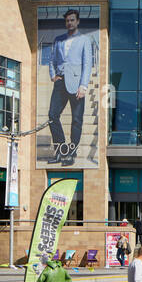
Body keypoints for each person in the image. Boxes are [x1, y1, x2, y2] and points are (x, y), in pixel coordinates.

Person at [46, 9, 96, 167]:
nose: (70, 23)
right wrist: (53, 75)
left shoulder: (84, 40)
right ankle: (61, 150)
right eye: (67, 20)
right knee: (52, 115)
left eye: (72, 20)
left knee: (76, 120)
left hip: (76, 84)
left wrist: (83, 85)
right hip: (60, 82)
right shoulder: (58, 40)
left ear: (78, 21)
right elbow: (52, 58)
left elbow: (87, 64)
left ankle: (71, 153)